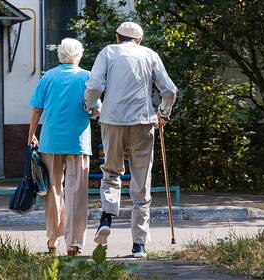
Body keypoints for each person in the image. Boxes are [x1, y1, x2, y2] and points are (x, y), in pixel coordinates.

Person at [85, 22, 177, 258]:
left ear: (117, 37)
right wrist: (163, 114)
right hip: (143, 122)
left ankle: (106, 218)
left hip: (112, 120)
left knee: (112, 172)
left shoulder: (107, 52)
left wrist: (89, 105)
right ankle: (139, 245)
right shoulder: (149, 55)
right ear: (140, 40)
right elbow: (170, 90)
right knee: (141, 179)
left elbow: (95, 85)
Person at [28, 38, 100, 256]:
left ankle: (52, 240)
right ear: (79, 55)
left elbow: (36, 110)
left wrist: (31, 135)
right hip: (78, 142)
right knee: (77, 192)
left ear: (60, 55)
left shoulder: (48, 77)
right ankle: (74, 243)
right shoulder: (87, 77)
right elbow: (96, 110)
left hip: (51, 141)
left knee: (53, 190)